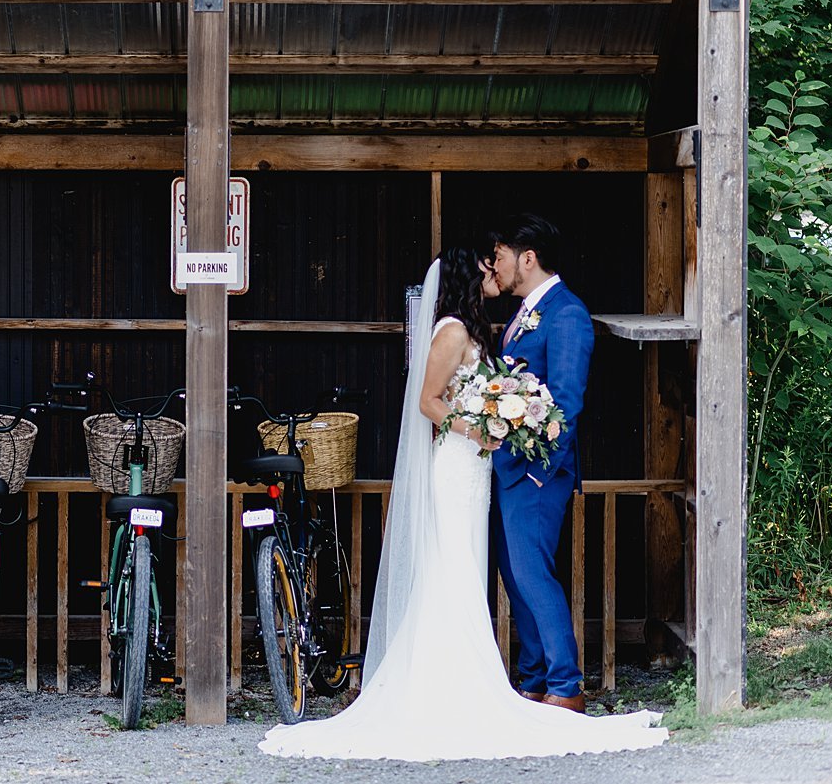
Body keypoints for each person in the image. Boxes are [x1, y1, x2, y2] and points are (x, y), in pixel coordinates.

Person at [257, 244, 666, 761]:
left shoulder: (484, 329)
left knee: (471, 571)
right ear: (466, 278)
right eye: (485, 265)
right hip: (457, 466)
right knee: (452, 570)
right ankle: (455, 683)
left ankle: (503, 678)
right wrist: (475, 427)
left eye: (498, 259)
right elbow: (428, 400)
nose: (494, 270)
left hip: (479, 472)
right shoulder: (451, 331)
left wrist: (496, 417)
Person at [487, 213, 591, 711]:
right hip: (510, 468)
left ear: (528, 258)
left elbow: (566, 400)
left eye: (502, 254)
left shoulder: (566, 313)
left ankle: (567, 687)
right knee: (514, 574)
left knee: (532, 573)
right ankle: (532, 678)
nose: (496, 264)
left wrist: (536, 468)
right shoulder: (526, 312)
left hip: (537, 472)